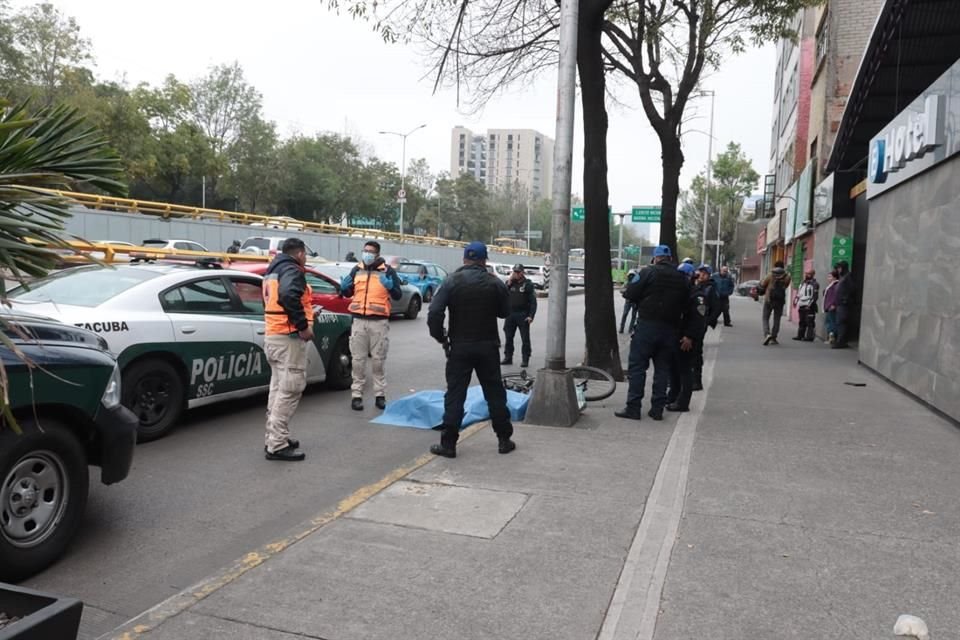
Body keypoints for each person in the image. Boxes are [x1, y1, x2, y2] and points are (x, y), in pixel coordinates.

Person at [427, 241, 515, 458]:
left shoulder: (451, 281)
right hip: (488, 347)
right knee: (494, 393)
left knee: (456, 394)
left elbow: (434, 313)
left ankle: (448, 444)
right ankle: (504, 439)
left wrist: (442, 338)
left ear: (464, 258)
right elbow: (505, 313)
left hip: (460, 347)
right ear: (485, 260)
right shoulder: (495, 283)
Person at [615, 245, 690, 421]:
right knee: (662, 369)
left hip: (647, 327)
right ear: (670, 258)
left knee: (638, 367)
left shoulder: (648, 272)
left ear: (655, 258)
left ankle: (633, 407)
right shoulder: (681, 278)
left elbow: (631, 293)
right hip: (670, 329)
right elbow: (687, 304)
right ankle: (657, 409)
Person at [262, 238, 314, 461]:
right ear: (300, 253)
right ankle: (277, 444)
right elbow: (288, 296)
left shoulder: (272, 270)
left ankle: (273, 436)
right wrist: (302, 326)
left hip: (273, 335)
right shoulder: (291, 270)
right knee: (291, 388)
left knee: (277, 389)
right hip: (288, 337)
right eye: (305, 255)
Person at [339, 241, 403, 411]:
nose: (367, 254)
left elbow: (398, 294)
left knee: (378, 361)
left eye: (370, 252)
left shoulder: (388, 271)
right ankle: (356, 396)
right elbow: (347, 292)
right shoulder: (356, 270)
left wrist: (390, 286)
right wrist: (343, 288)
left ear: (377, 254)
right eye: (365, 251)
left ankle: (380, 395)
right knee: (358, 361)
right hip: (359, 321)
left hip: (379, 323)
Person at [666, 262, 706, 412]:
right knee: (674, 369)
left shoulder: (698, 296)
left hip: (687, 340)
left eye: (683, 276)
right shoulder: (680, 293)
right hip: (676, 336)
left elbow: (699, 320)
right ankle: (673, 397)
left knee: (684, 371)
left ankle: (683, 403)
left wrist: (689, 337)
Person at [501, 264, 537, 367]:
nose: (516, 274)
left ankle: (525, 359)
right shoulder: (511, 283)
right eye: (514, 272)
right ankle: (508, 357)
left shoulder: (528, 284)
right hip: (511, 314)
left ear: (522, 272)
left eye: (518, 272)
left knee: (525, 339)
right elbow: (503, 293)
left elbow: (533, 302)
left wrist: (531, 315)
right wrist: (509, 282)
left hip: (522, 314)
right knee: (508, 337)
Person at [692, 265, 719, 390]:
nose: (701, 275)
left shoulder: (710, 288)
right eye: (700, 272)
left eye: (704, 273)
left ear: (709, 275)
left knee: (697, 352)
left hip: (701, 324)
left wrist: (707, 322)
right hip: (694, 322)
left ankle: (697, 381)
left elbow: (716, 308)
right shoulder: (697, 286)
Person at [758, 260, 791, 345]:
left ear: (775, 266)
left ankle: (767, 334)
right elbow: (786, 286)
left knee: (765, 318)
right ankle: (774, 337)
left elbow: (763, 284)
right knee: (777, 319)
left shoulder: (770, 275)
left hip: (769, 299)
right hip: (780, 300)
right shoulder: (787, 276)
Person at [832, 260, 855, 349]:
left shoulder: (848, 277)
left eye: (839, 268)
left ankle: (841, 342)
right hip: (840, 304)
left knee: (841, 322)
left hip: (843, 304)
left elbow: (852, 289)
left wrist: (845, 299)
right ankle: (840, 340)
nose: (838, 270)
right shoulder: (843, 277)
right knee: (839, 322)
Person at [793, 269, 820, 342]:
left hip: (809, 306)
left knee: (809, 321)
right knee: (802, 321)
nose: (806, 275)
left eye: (808, 274)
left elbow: (815, 296)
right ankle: (800, 335)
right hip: (801, 304)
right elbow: (799, 293)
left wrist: (809, 305)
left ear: (812, 274)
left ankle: (810, 337)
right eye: (806, 273)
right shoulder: (802, 283)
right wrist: (795, 301)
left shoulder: (815, 284)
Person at [619, 268, 640, 334]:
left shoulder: (637, 283)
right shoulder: (627, 283)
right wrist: (627, 292)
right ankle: (621, 328)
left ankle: (630, 329)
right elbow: (621, 290)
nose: (631, 276)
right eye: (630, 275)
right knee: (625, 314)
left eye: (632, 275)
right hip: (628, 302)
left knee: (633, 316)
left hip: (635, 302)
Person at [823, 271, 839, 344]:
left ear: (834, 277)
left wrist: (833, 304)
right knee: (828, 322)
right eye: (828, 276)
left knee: (831, 323)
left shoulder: (835, 285)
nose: (828, 278)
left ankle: (832, 338)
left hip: (831, 306)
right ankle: (830, 337)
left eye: (830, 277)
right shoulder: (830, 285)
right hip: (828, 306)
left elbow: (835, 296)